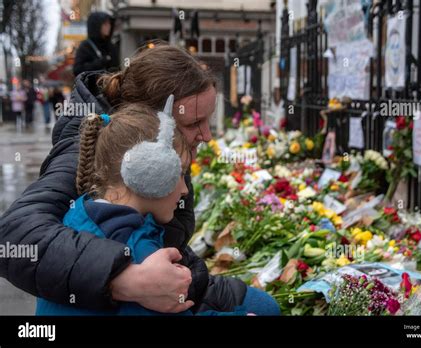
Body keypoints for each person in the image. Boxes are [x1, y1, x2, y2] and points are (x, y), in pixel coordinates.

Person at [0, 42, 280, 315]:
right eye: (194, 123)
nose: (207, 136)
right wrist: (125, 280)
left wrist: (190, 277)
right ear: (151, 120)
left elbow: (166, 244)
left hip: (147, 271)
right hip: (116, 292)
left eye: (208, 120)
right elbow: (14, 237)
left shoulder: (162, 152)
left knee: (265, 306)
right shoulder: (95, 148)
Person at [36, 102, 252, 316]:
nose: (185, 189)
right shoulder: (142, 255)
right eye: (179, 174)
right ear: (149, 173)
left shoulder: (81, 212)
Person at [73, 11, 119, 76]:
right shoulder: (85, 46)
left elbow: (117, 69)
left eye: (109, 23)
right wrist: (100, 62)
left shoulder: (111, 46)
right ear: (96, 25)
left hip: (108, 85)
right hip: (91, 85)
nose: (109, 26)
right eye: (105, 24)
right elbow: (77, 70)